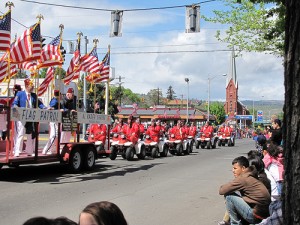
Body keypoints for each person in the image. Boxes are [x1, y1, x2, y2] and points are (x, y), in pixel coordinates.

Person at [219, 156, 271, 225]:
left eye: (235, 168)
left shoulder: (243, 178)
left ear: (243, 168)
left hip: (256, 216)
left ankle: (235, 223)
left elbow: (222, 190)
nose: (233, 170)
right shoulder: (251, 175)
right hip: (264, 214)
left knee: (229, 196)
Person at [12, 78, 47, 157]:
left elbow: (39, 104)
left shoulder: (34, 95)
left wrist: (45, 108)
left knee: (30, 134)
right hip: (21, 117)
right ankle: (17, 150)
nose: (33, 87)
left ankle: (29, 151)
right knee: (20, 134)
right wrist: (16, 108)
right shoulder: (20, 94)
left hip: (31, 117)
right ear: (27, 86)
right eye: (31, 86)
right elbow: (15, 103)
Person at [42, 90, 62, 155]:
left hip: (56, 120)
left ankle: (52, 149)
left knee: (55, 135)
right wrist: (57, 109)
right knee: (54, 135)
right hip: (53, 120)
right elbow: (51, 108)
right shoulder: (55, 101)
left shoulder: (57, 101)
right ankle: (46, 150)